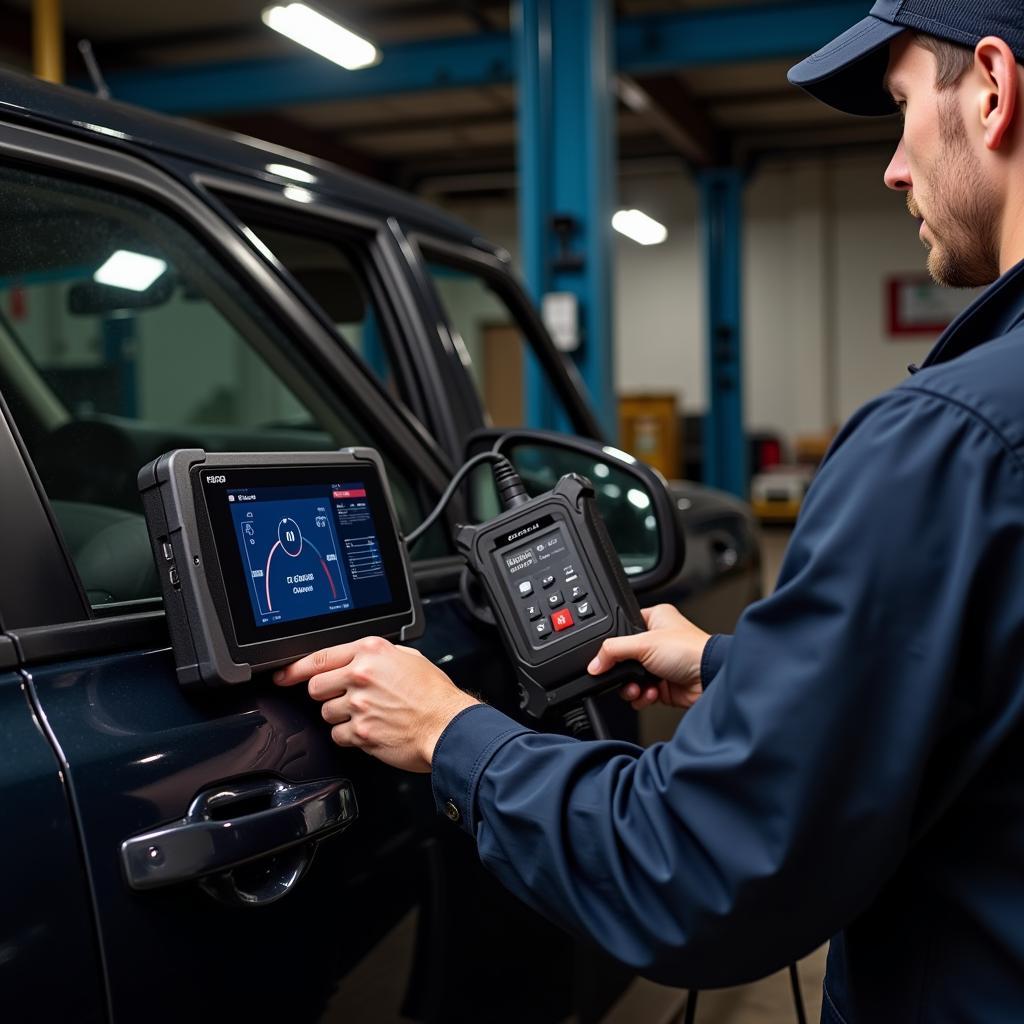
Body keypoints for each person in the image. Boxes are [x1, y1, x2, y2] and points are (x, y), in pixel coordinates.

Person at [274, 3, 1024, 1019]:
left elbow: (703, 866)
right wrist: (725, 665)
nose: (893, 167)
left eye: (899, 110)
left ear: (989, 88)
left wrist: (449, 729)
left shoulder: (944, 442)